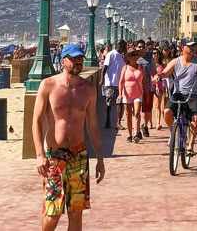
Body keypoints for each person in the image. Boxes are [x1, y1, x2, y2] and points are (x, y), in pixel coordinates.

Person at [32, 43, 104, 231]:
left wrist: (100, 159)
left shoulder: (89, 89)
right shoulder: (48, 85)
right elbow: (36, 122)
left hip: (79, 156)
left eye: (80, 59)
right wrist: (40, 155)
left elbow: (93, 125)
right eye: (73, 59)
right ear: (63, 61)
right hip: (54, 157)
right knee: (53, 212)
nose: (78, 62)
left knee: (76, 212)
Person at [162, 39, 197, 155]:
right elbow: (165, 72)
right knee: (167, 112)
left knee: (195, 119)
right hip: (178, 93)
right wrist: (159, 75)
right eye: (189, 47)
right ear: (183, 48)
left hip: (193, 95)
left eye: (194, 47)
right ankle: (172, 133)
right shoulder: (176, 61)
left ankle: (191, 144)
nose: (192, 49)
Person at [118, 49, 147, 143]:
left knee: (137, 112)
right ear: (128, 58)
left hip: (138, 93)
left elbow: (144, 81)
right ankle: (130, 134)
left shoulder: (141, 67)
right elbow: (121, 82)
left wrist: (147, 93)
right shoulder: (125, 68)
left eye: (136, 55)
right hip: (127, 94)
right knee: (128, 115)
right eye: (132, 55)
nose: (135, 57)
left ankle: (136, 133)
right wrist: (120, 94)